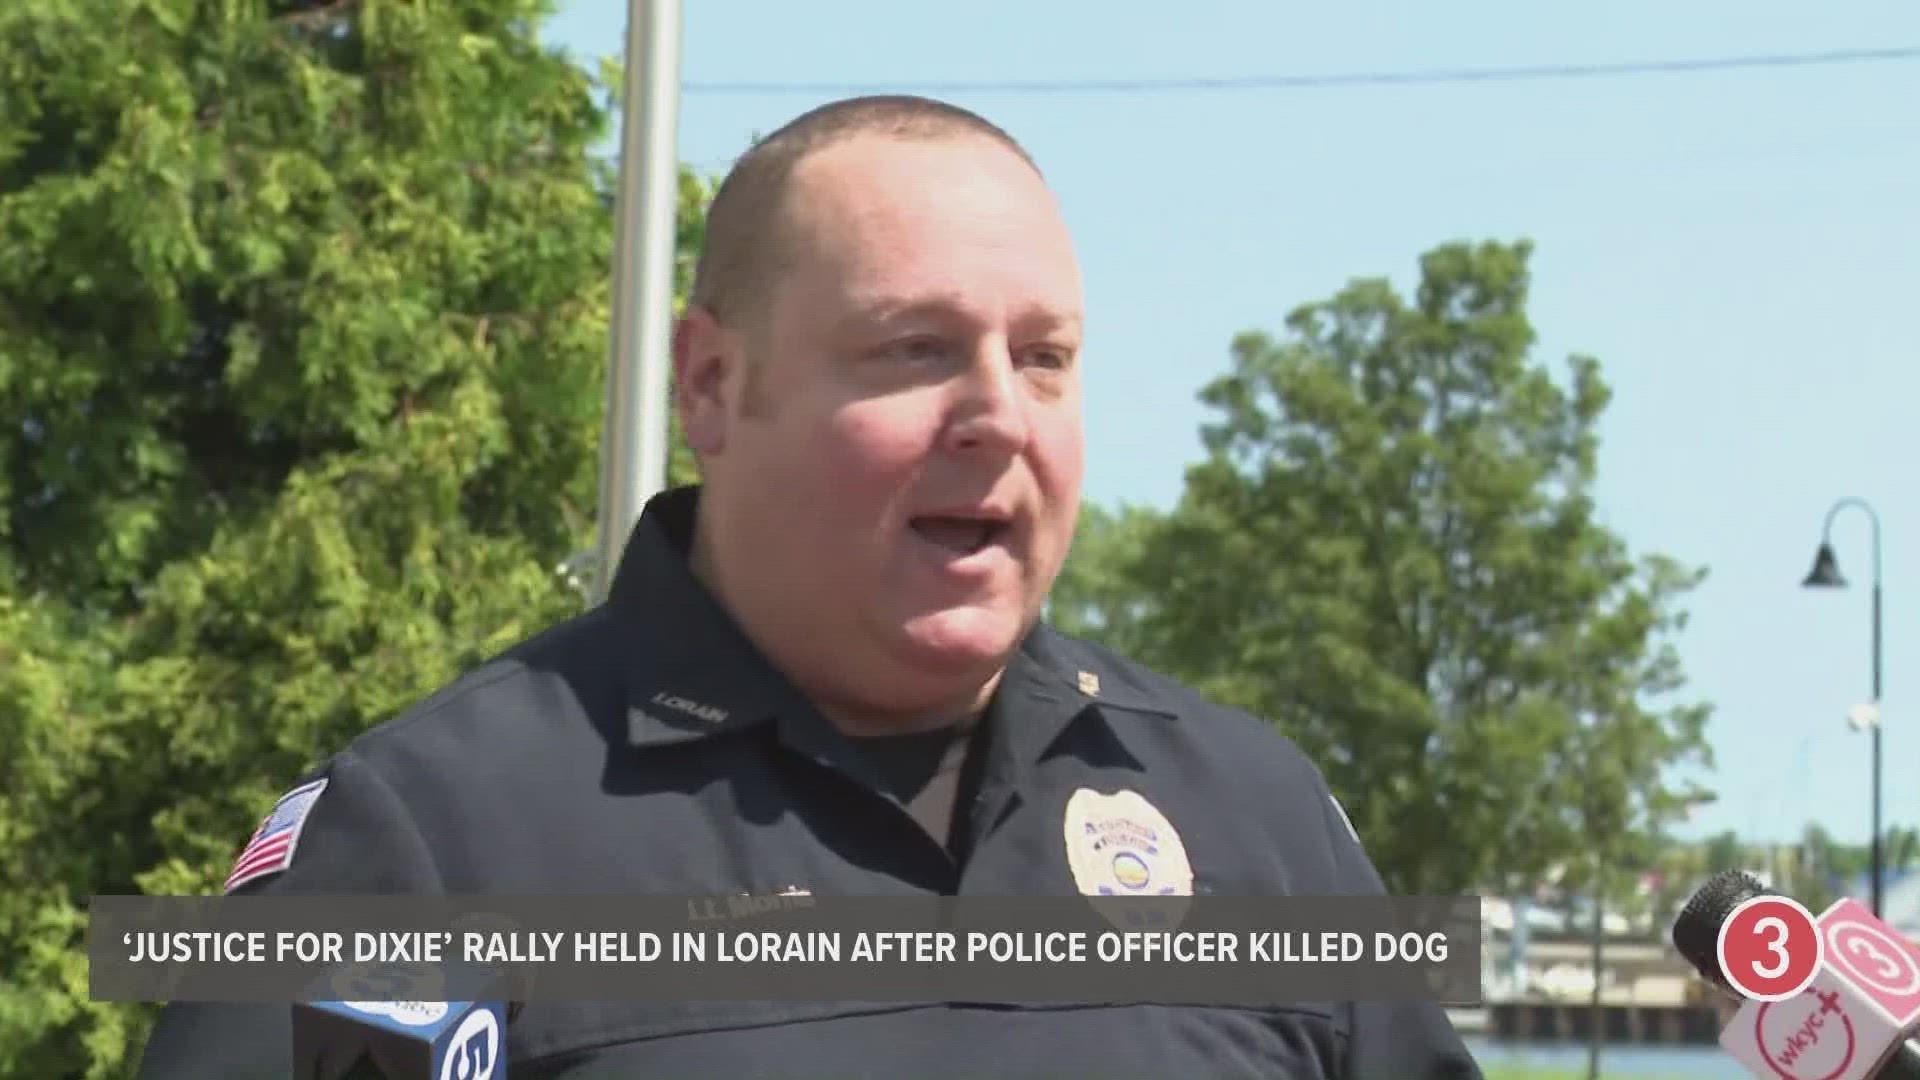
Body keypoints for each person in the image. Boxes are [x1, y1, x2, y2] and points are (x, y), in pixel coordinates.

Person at [137, 94, 1482, 1078]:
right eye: (914, 350)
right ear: (714, 385)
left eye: (1047, 357)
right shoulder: (430, 839)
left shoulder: (1258, 814)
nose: (999, 416)